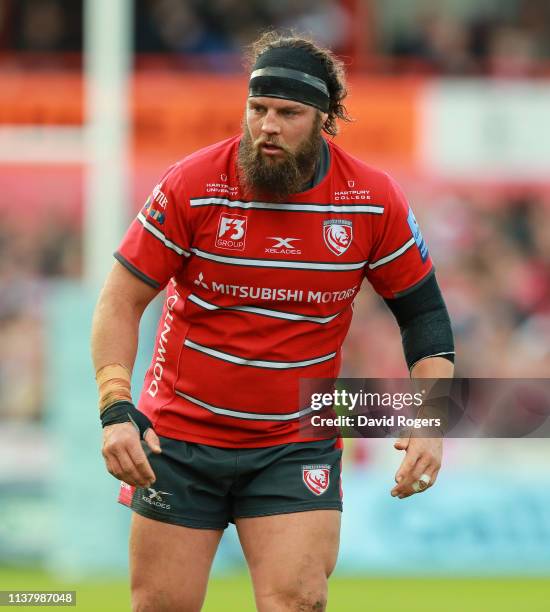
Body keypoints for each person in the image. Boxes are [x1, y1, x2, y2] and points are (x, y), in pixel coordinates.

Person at [91, 31, 454, 612]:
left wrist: (429, 419)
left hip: (295, 443)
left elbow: (425, 314)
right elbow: (119, 301)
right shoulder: (193, 184)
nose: (268, 126)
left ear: (324, 119)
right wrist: (114, 406)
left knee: (299, 601)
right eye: (257, 109)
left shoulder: (371, 200)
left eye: (288, 113)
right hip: (179, 438)